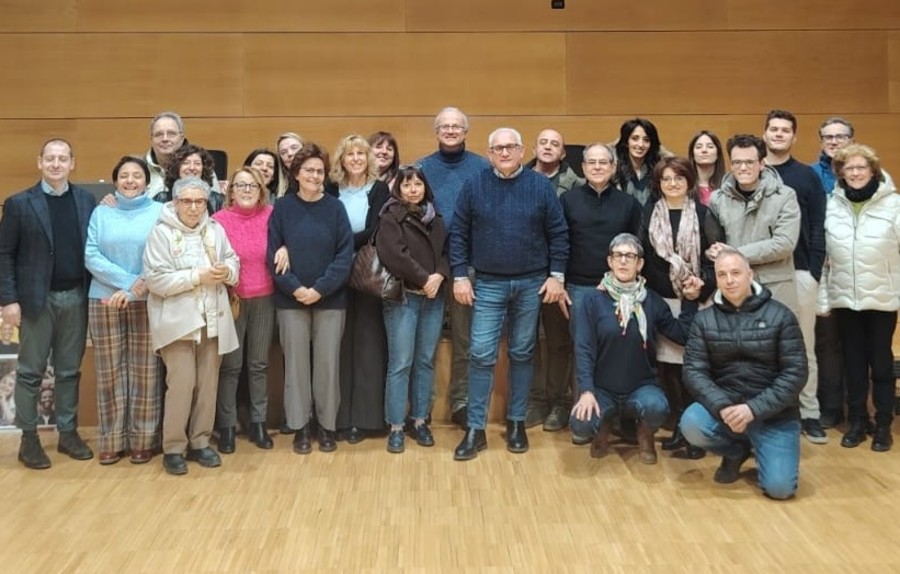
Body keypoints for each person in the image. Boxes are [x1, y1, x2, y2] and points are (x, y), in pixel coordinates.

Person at [449, 127, 569, 461]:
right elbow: (458, 234)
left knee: (522, 352)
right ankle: (475, 429)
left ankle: (516, 422)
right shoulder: (474, 186)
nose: (504, 153)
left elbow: (558, 234)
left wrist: (556, 275)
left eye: (510, 147)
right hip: (486, 284)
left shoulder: (540, 187)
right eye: (497, 148)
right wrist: (460, 276)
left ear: (521, 151)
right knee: (481, 354)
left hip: (532, 284)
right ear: (489, 154)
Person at [0, 138, 97, 469]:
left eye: (63, 158)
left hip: (76, 297)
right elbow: (5, 254)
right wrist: (8, 300)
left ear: (73, 163)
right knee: (29, 372)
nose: (56, 164)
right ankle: (29, 439)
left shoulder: (86, 201)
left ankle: (68, 433)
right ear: (39, 162)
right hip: (35, 300)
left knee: (70, 370)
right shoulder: (19, 203)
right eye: (50, 158)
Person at [682, 248, 807, 500]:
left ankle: (765, 450)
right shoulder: (704, 320)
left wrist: (753, 409)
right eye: (722, 274)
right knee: (691, 424)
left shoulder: (781, 316)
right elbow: (694, 371)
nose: (729, 280)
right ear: (715, 279)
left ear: (750, 274)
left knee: (780, 490)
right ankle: (735, 451)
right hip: (726, 410)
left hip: (774, 415)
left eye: (736, 273)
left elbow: (796, 373)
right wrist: (722, 406)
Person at [570, 233, 701, 464]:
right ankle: (602, 429)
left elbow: (681, 335)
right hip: (602, 389)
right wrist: (587, 391)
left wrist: (691, 300)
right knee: (581, 423)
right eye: (618, 255)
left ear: (640, 264)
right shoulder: (592, 300)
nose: (623, 261)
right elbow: (583, 348)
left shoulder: (651, 300)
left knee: (657, 408)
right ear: (609, 261)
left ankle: (644, 435)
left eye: (630, 256)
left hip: (641, 388)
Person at [143, 177, 239, 475]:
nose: (194, 207)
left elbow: (232, 260)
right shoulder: (160, 233)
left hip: (213, 319)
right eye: (187, 201)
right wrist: (198, 276)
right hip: (177, 321)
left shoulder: (215, 229)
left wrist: (228, 271)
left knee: (208, 385)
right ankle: (173, 447)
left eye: (200, 201)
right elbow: (156, 280)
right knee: (182, 386)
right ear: (174, 203)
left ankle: (200, 442)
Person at [269, 142, 353, 455]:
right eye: (309, 170)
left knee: (328, 365)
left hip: (330, 298)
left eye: (319, 171)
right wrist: (295, 288)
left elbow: (345, 255)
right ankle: (300, 426)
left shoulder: (335, 208)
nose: (315, 176)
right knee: (296, 367)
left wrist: (319, 288)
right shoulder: (282, 208)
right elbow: (272, 254)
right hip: (291, 300)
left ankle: (326, 426)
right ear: (296, 173)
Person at [819, 144, 899, 452]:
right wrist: (825, 299)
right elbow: (825, 257)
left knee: (880, 364)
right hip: (845, 298)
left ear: (873, 171)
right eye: (848, 168)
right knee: (852, 364)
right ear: (840, 173)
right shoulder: (832, 204)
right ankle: (856, 421)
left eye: (860, 168)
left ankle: (882, 425)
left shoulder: (894, 204)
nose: (854, 173)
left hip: (882, 299)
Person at [85, 156, 163, 465]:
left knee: (146, 372)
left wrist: (136, 290)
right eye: (124, 176)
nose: (131, 181)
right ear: (115, 180)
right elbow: (91, 255)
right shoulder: (101, 212)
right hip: (105, 299)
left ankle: (143, 440)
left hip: (147, 300)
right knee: (109, 372)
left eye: (137, 175)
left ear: (147, 181)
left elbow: (162, 253)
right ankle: (112, 440)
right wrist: (128, 284)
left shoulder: (160, 212)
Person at [641, 157, 720, 459]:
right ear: (658, 184)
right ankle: (678, 426)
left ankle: (692, 432)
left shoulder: (703, 214)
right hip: (660, 300)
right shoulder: (649, 212)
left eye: (678, 178)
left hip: (695, 301)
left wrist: (702, 285)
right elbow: (642, 254)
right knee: (667, 368)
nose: (672, 184)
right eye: (666, 179)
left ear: (688, 181)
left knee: (693, 368)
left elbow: (716, 259)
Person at [418, 107, 491, 428]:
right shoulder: (421, 168)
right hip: (428, 267)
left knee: (465, 341)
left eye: (456, 126)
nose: (450, 131)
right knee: (425, 342)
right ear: (436, 132)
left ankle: (461, 402)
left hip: (467, 268)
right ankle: (421, 407)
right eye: (444, 126)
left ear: (466, 131)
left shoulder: (482, 168)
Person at [762, 109, 828, 445]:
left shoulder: (807, 176)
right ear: (764, 134)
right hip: (759, 276)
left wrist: (813, 271)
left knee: (803, 347)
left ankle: (809, 413)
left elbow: (818, 226)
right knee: (762, 348)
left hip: (800, 271)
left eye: (785, 130)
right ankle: (771, 411)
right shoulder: (751, 172)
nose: (778, 134)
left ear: (794, 137)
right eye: (773, 129)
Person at [377, 165, 449, 453]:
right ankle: (395, 425)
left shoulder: (436, 216)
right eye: (407, 185)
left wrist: (439, 276)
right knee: (401, 362)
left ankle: (419, 420)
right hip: (404, 297)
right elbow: (394, 255)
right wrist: (424, 278)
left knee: (425, 361)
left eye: (418, 184)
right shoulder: (391, 214)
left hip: (433, 297)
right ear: (399, 188)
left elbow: (446, 252)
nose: (413, 189)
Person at [329, 134, 391, 443]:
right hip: (335, 276)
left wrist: (341, 245)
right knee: (339, 346)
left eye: (360, 154)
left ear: (369, 159)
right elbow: (325, 226)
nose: (355, 158)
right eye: (349, 153)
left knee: (368, 345)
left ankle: (366, 420)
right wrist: (341, 250)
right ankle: (340, 418)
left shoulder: (379, 190)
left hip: (367, 276)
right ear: (341, 159)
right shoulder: (330, 190)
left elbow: (376, 230)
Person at [524, 128, 585, 431]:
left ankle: (560, 403)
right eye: (543, 142)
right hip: (523, 274)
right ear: (534, 148)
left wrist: (558, 276)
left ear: (563, 153)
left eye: (555, 144)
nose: (548, 147)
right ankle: (535, 400)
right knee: (527, 342)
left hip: (559, 276)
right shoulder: (516, 178)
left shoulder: (577, 187)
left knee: (559, 342)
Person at [212, 167, 276, 453]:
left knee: (258, 364)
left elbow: (284, 245)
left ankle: (259, 423)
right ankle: (227, 426)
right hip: (231, 300)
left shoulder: (273, 216)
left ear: (261, 190)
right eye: (241, 185)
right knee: (231, 366)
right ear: (231, 190)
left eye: (252, 185)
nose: (247, 190)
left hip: (265, 298)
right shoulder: (218, 221)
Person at [706, 134, 800, 310]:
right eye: (737, 162)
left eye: (749, 162)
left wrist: (734, 254)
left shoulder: (786, 196)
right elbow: (712, 243)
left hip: (775, 287)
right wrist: (711, 251)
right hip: (734, 289)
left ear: (762, 164)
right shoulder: (717, 199)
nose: (743, 168)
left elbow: (785, 244)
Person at [810, 117, 855, 428]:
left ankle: (857, 409)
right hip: (823, 269)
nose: (835, 141)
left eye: (841, 136)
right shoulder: (812, 175)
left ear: (852, 140)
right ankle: (830, 406)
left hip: (856, 269)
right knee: (825, 340)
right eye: (829, 136)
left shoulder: (867, 173)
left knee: (855, 339)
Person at [144, 111, 222, 202]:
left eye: (171, 133)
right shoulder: (139, 169)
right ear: (151, 139)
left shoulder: (200, 168)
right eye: (158, 134)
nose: (165, 139)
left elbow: (215, 204)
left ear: (181, 137)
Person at [614, 118, 666, 207]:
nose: (641, 144)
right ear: (626, 142)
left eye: (646, 140)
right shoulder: (615, 170)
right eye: (635, 139)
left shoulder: (659, 170)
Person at [159, 144, 225, 214]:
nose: (192, 168)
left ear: (204, 169)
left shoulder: (217, 200)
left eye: (197, 163)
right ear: (176, 168)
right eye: (186, 163)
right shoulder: (161, 198)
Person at [687, 130, 726, 206]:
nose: (704, 150)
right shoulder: (684, 186)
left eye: (710, 147)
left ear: (718, 154)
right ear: (692, 155)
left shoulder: (729, 186)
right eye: (698, 147)